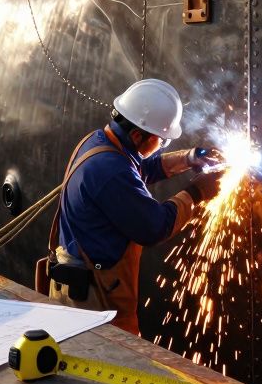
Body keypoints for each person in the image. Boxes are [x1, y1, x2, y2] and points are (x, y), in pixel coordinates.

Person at [45, 78, 225, 334]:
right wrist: (196, 193)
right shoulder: (111, 170)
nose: (162, 145)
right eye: (161, 140)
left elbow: (139, 168)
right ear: (138, 135)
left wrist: (189, 158)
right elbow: (155, 226)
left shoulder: (100, 142)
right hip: (96, 303)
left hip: (80, 286)